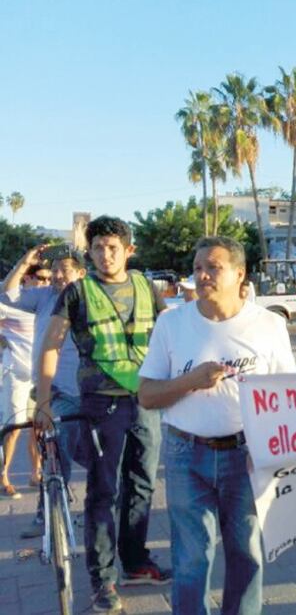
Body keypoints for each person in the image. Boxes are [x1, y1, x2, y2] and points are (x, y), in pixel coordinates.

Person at [138, 236, 296, 614]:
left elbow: (287, 397)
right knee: (191, 559)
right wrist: (190, 380)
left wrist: (276, 454)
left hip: (247, 455)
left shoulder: (269, 325)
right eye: (197, 268)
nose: (203, 275)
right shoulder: (172, 323)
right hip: (184, 453)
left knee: (246, 555)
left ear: (240, 273)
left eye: (213, 267)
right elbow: (146, 395)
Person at [35, 216, 170, 612]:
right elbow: (51, 346)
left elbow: (171, 332)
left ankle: (136, 561)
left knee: (142, 484)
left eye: (113, 247)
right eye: (98, 247)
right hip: (101, 405)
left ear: (129, 251)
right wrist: (43, 402)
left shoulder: (146, 286)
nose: (105, 254)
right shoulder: (77, 293)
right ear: (89, 252)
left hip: (146, 401)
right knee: (104, 491)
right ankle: (103, 580)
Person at [2, 245, 86, 536]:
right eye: (56, 269)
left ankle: (95, 512)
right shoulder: (44, 296)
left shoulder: (88, 298)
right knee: (55, 453)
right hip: (53, 391)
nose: (59, 275)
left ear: (80, 273)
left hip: (83, 390)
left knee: (92, 456)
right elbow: (8, 293)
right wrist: (25, 261)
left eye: (66, 269)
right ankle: (46, 516)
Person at [0, 263, 50, 498]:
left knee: (37, 426)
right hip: (16, 374)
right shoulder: (10, 304)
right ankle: (4, 475)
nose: (45, 283)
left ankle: (36, 472)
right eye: (40, 278)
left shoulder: (45, 304)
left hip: (39, 375)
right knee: (14, 427)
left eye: (47, 279)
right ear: (27, 278)